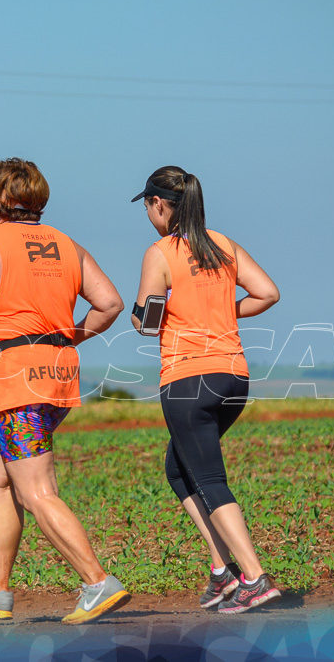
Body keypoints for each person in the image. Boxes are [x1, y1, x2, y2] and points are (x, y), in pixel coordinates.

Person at [0, 157, 129, 624]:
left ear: (3, 203)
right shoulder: (67, 245)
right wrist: (63, 337)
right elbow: (109, 304)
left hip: (15, 382)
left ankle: (96, 581)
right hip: (60, 376)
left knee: (36, 489)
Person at [130, 165, 281, 614]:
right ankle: (223, 572)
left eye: (148, 206)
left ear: (159, 204)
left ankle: (254, 578)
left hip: (185, 380)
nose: (149, 214)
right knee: (179, 469)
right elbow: (268, 293)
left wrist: (146, 318)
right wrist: (223, 312)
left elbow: (146, 322)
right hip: (233, 378)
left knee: (210, 480)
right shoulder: (224, 244)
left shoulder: (160, 252)